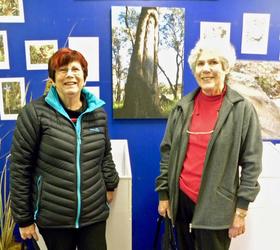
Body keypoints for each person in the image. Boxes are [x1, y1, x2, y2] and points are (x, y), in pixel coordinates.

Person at [155, 38, 262, 250]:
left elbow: (252, 163)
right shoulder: (182, 107)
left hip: (218, 205)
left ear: (225, 67)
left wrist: (241, 210)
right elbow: (167, 153)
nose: (206, 69)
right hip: (182, 201)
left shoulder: (242, 109)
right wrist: (164, 194)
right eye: (200, 64)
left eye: (213, 62)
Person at [10, 48, 119, 250]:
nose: (70, 74)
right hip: (54, 218)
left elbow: (105, 153)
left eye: (75, 69)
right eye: (62, 69)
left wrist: (111, 183)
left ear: (84, 78)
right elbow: (20, 167)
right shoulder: (34, 114)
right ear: (53, 78)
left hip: (93, 215)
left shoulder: (98, 114)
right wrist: (23, 218)